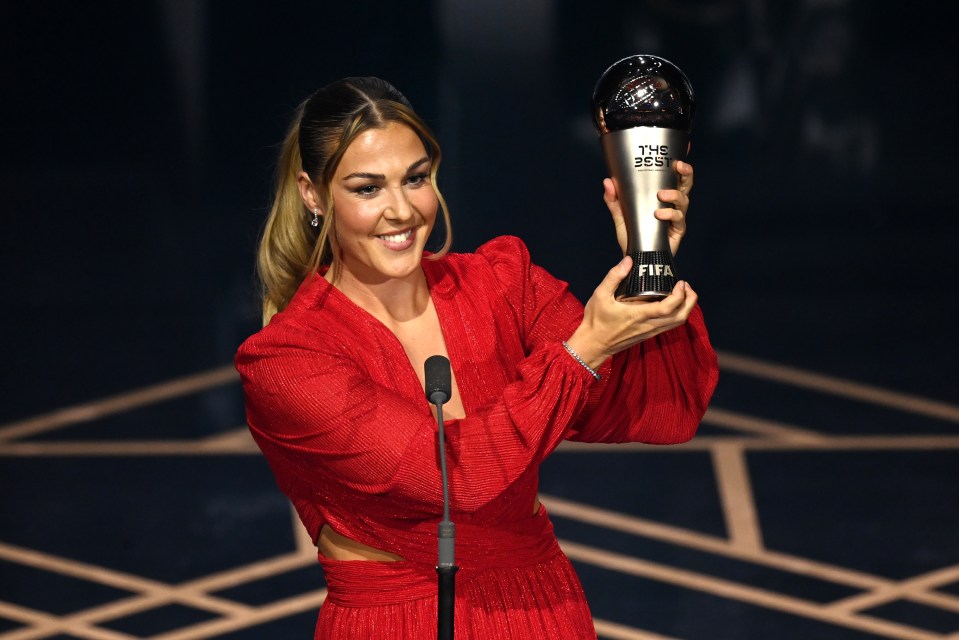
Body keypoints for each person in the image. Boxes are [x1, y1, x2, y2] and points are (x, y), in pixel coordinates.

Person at [235, 76, 718, 639]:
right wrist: (584, 348)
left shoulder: (501, 284)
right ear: (313, 195)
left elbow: (660, 408)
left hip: (541, 612)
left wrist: (647, 255)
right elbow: (451, 479)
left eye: (415, 179)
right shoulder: (287, 359)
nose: (401, 210)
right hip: (395, 623)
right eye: (368, 189)